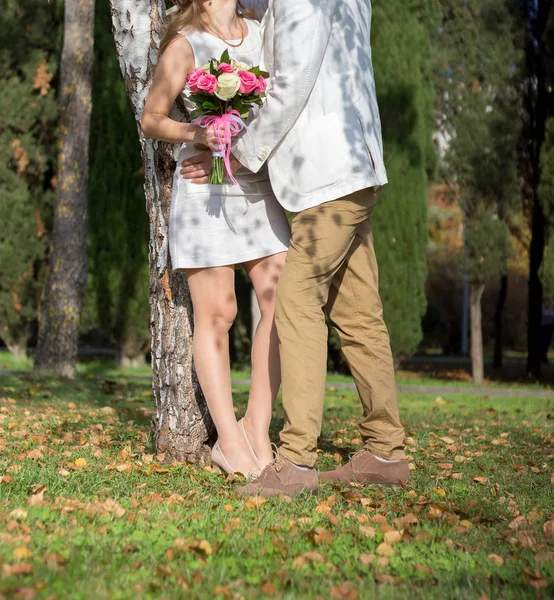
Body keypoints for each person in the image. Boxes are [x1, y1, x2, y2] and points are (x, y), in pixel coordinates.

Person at [182, 0, 410, 497]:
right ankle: (386, 450)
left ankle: (296, 461)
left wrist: (234, 155)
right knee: (358, 313)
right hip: (356, 170)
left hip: (329, 178)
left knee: (295, 301)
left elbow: (290, 86)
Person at [141, 0, 291, 478]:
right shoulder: (184, 42)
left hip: (255, 184)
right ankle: (229, 442)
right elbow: (151, 119)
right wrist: (198, 133)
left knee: (283, 301)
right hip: (204, 191)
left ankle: (257, 428)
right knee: (219, 311)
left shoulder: (263, 31)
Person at [541, 298, 554, 364]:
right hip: (544, 328)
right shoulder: (542, 311)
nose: (548, 304)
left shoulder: (551, 311)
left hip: (550, 328)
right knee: (543, 342)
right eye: (546, 302)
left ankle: (544, 356)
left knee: (547, 343)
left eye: (549, 302)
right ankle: (542, 357)